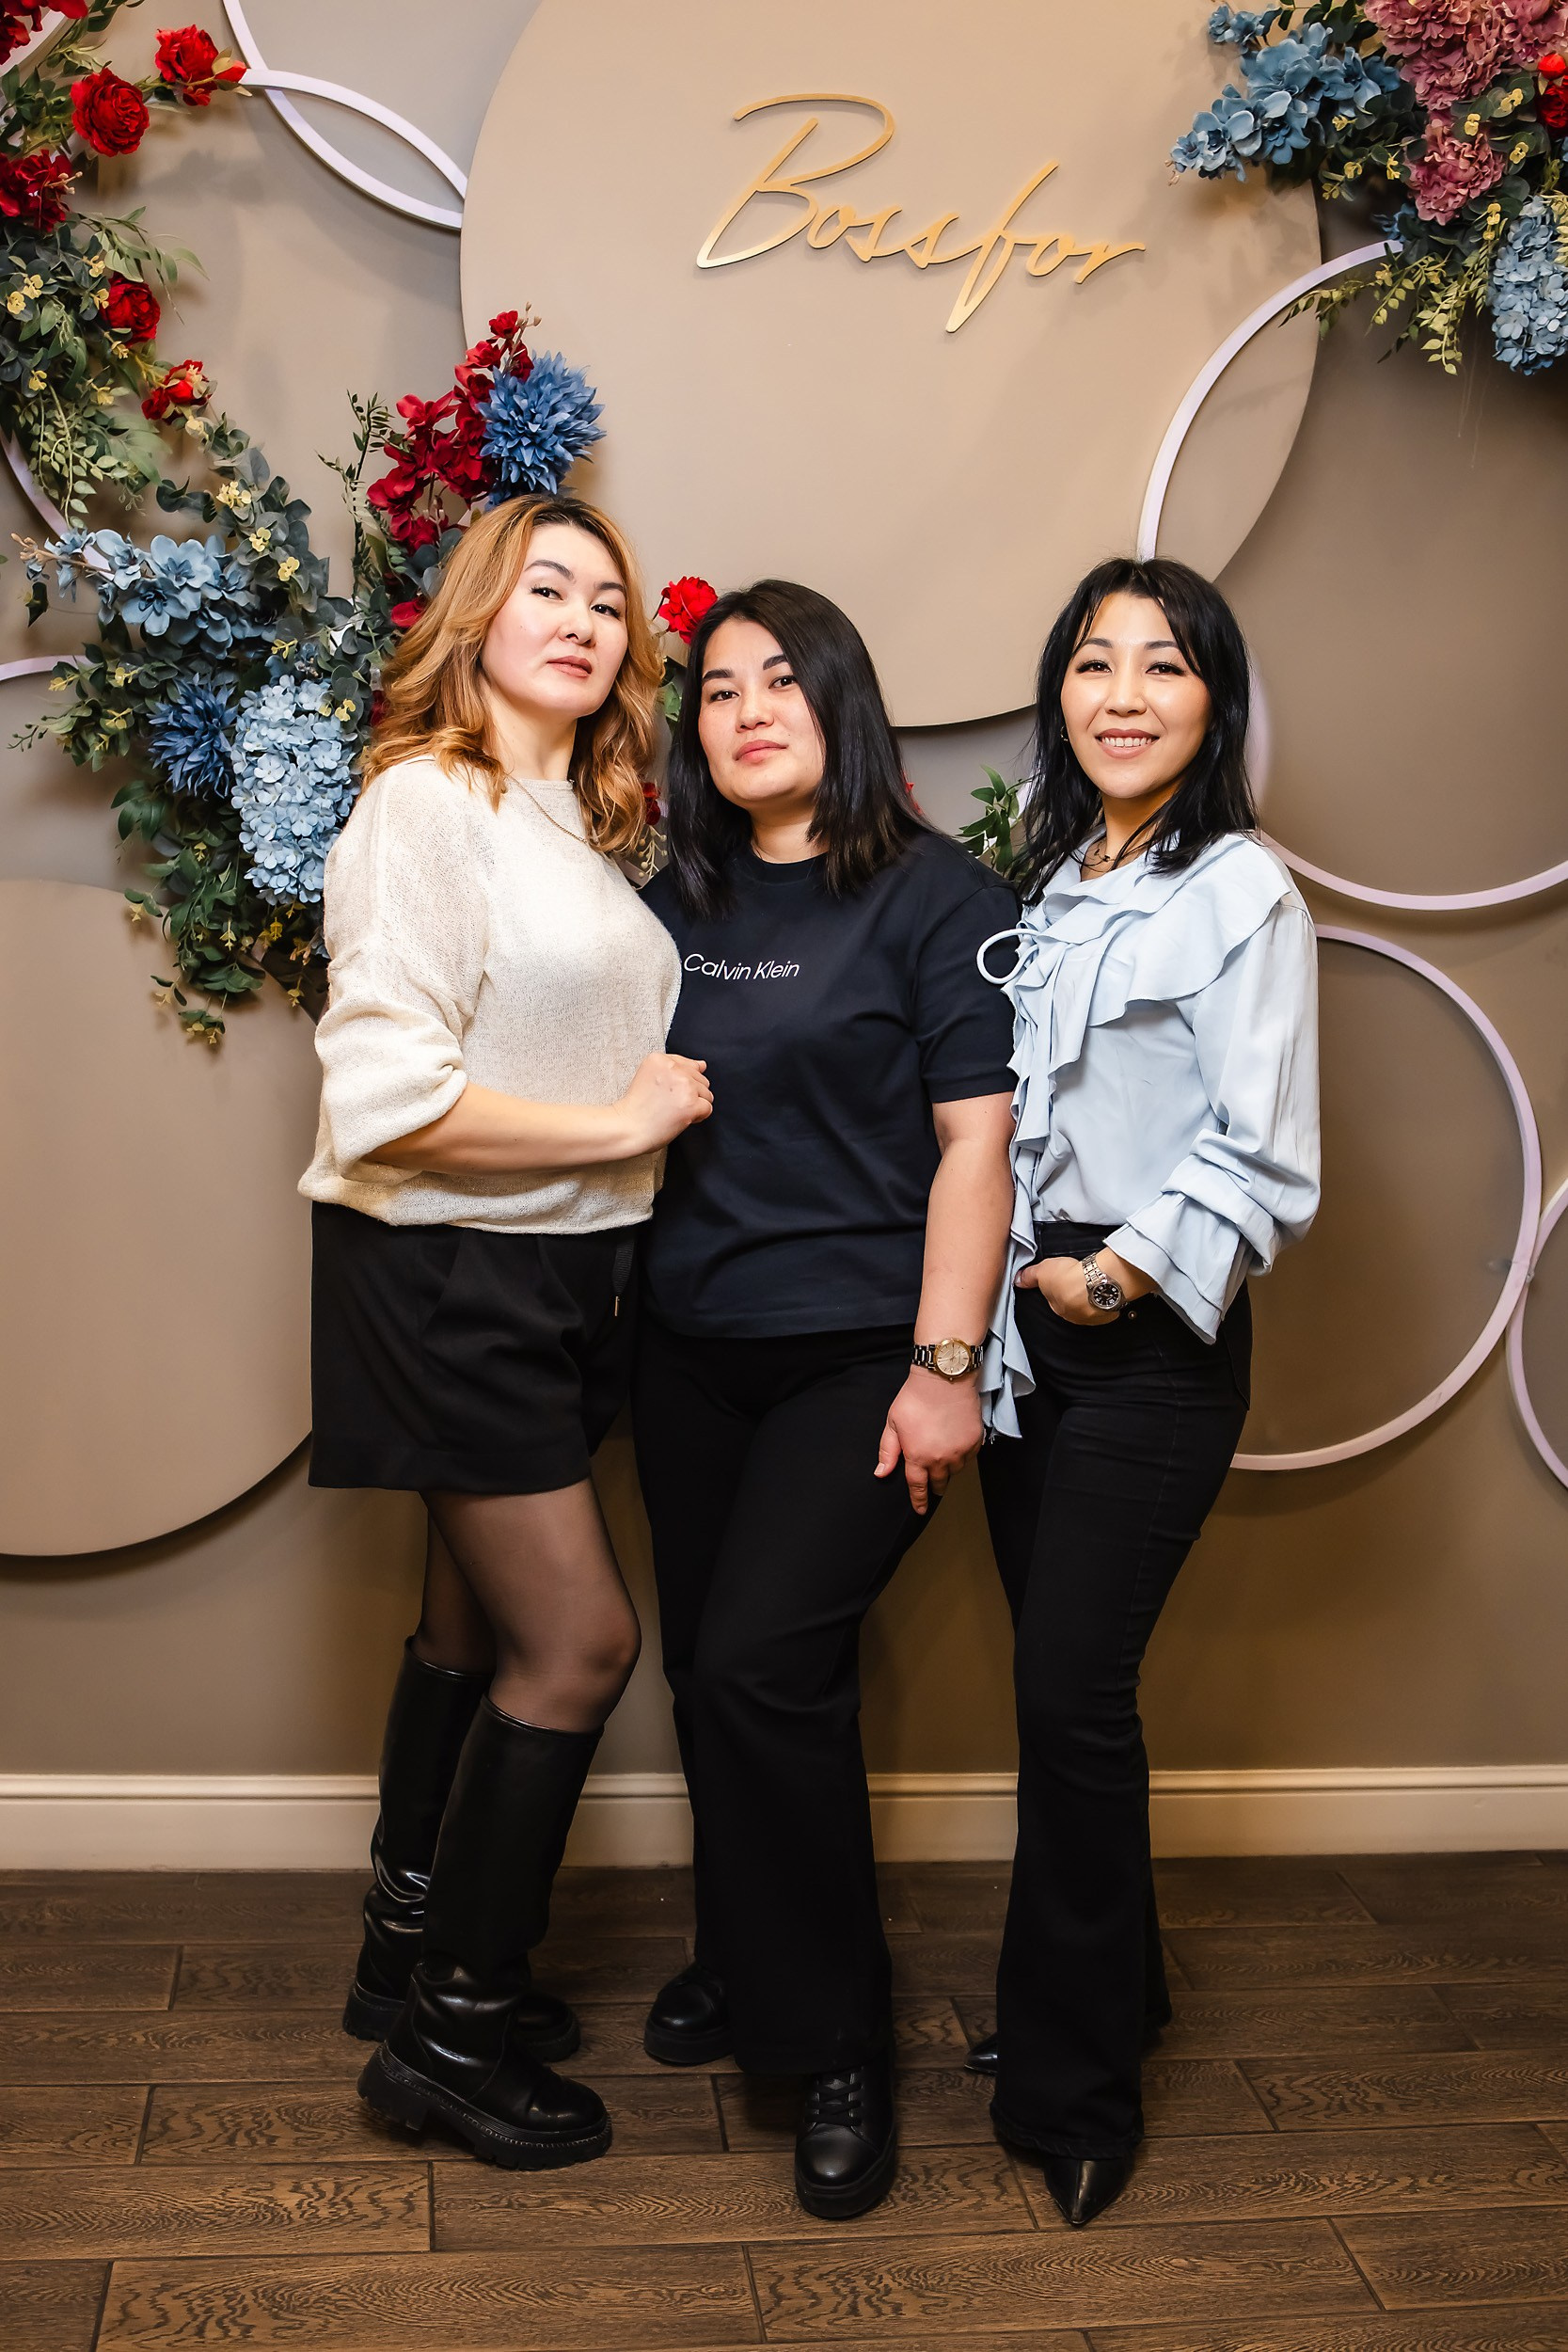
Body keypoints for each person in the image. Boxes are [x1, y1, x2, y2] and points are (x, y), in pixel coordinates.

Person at [299, 491, 712, 2170]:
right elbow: (388, 1098)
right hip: (449, 1271)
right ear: (476, 612)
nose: (585, 621)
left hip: (555, 1275)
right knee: (583, 1643)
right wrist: (622, 1125)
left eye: (609, 603)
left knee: (472, 1625)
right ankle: (453, 2036)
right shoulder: (427, 801)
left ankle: (403, 1954)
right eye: (549, 588)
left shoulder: (579, 824)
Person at [630, 580, 1018, 2219]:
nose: (748, 713)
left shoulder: (938, 896)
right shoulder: (665, 898)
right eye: (718, 691)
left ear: (841, 700)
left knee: (763, 1666)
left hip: (861, 1350)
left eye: (781, 681)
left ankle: (838, 2042)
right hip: (684, 1346)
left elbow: (978, 1148)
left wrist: (944, 1369)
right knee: (707, 1673)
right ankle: (740, 1949)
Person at [964, 556, 1320, 2228]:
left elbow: (1264, 1154)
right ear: (1061, 695)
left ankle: (1076, 2090)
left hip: (1146, 1332)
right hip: (1027, 1330)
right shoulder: (1046, 885)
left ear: (1213, 701)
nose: (1123, 695)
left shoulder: (1243, 891)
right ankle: (1105, 1997)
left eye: (1163, 665)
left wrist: (1105, 1277)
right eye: (1094, 663)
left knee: (1071, 1700)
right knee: (1064, 1698)